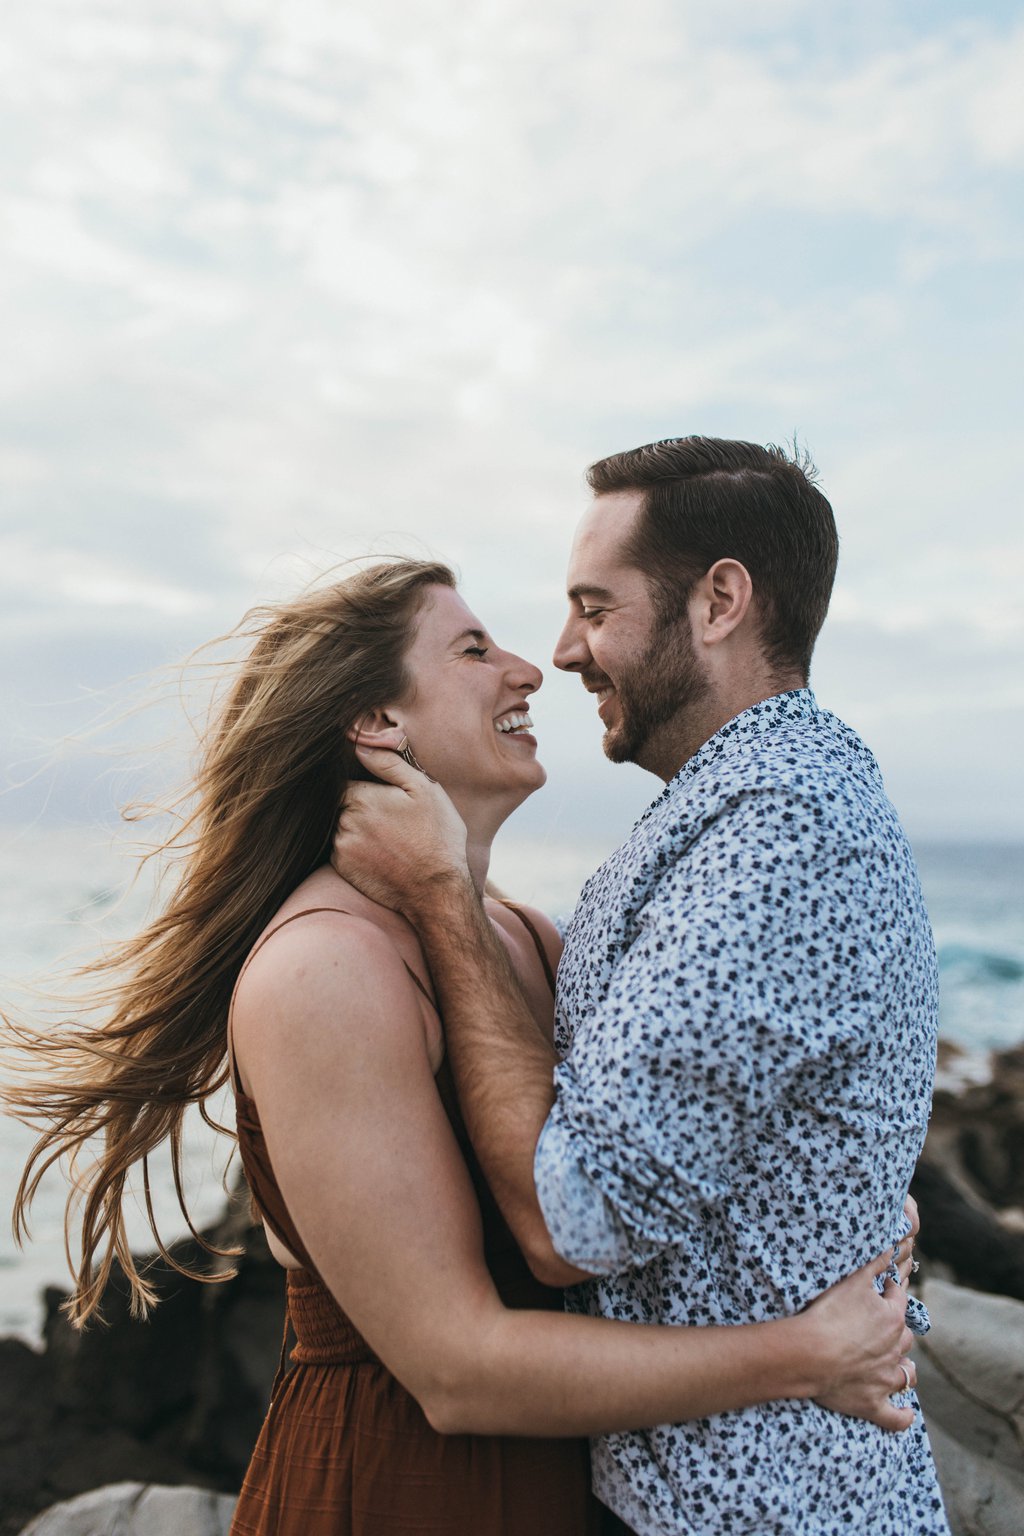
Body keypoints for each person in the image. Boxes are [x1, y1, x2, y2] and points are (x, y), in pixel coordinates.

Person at [7, 557, 919, 1536]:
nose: (530, 670)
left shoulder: (528, 939)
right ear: (376, 725)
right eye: (474, 650)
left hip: (569, 1484)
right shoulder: (327, 969)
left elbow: (639, 1173)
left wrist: (844, 1189)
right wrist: (805, 1354)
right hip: (404, 1490)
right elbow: (453, 1371)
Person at [332, 442, 951, 1536]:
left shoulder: (780, 835)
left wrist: (436, 892)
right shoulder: (726, 818)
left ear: (719, 601)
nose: (562, 652)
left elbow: (574, 1219)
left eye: (594, 607)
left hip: (763, 1509)